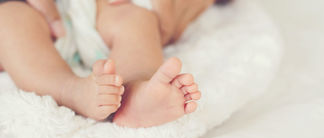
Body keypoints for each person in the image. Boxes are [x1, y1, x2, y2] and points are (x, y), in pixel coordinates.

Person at [0, 0, 230, 128]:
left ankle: (136, 92)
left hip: (104, 8)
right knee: (8, 21)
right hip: (36, 11)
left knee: (136, 18)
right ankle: (71, 90)